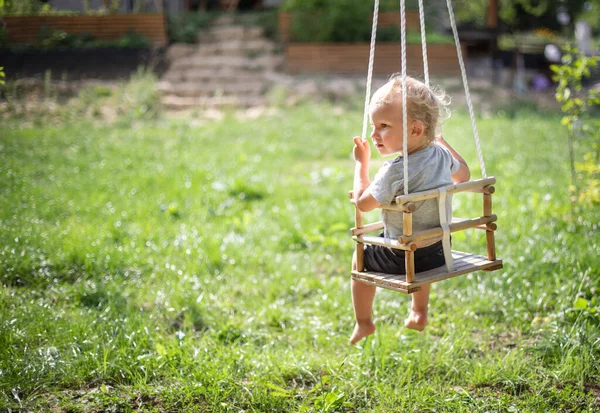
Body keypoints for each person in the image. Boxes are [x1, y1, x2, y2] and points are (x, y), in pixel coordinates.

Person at [350, 75, 470, 344]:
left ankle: (364, 322)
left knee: (360, 261)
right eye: (373, 126)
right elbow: (463, 175)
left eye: (383, 126)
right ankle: (419, 311)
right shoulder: (441, 155)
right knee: (417, 236)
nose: (374, 134)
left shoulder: (394, 172)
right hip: (439, 251)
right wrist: (440, 141)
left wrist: (361, 164)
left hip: (401, 256)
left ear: (415, 129)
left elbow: (363, 203)